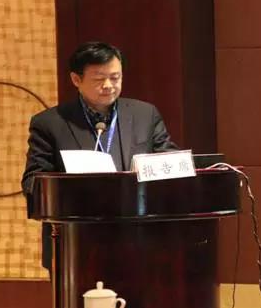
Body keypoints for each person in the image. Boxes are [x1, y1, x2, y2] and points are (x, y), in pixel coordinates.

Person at [21, 41, 178, 270]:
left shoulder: (145, 115)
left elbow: (169, 162)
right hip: (75, 242)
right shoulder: (50, 124)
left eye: (115, 77)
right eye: (98, 79)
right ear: (76, 79)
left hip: (140, 239)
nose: (108, 86)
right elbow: (33, 180)